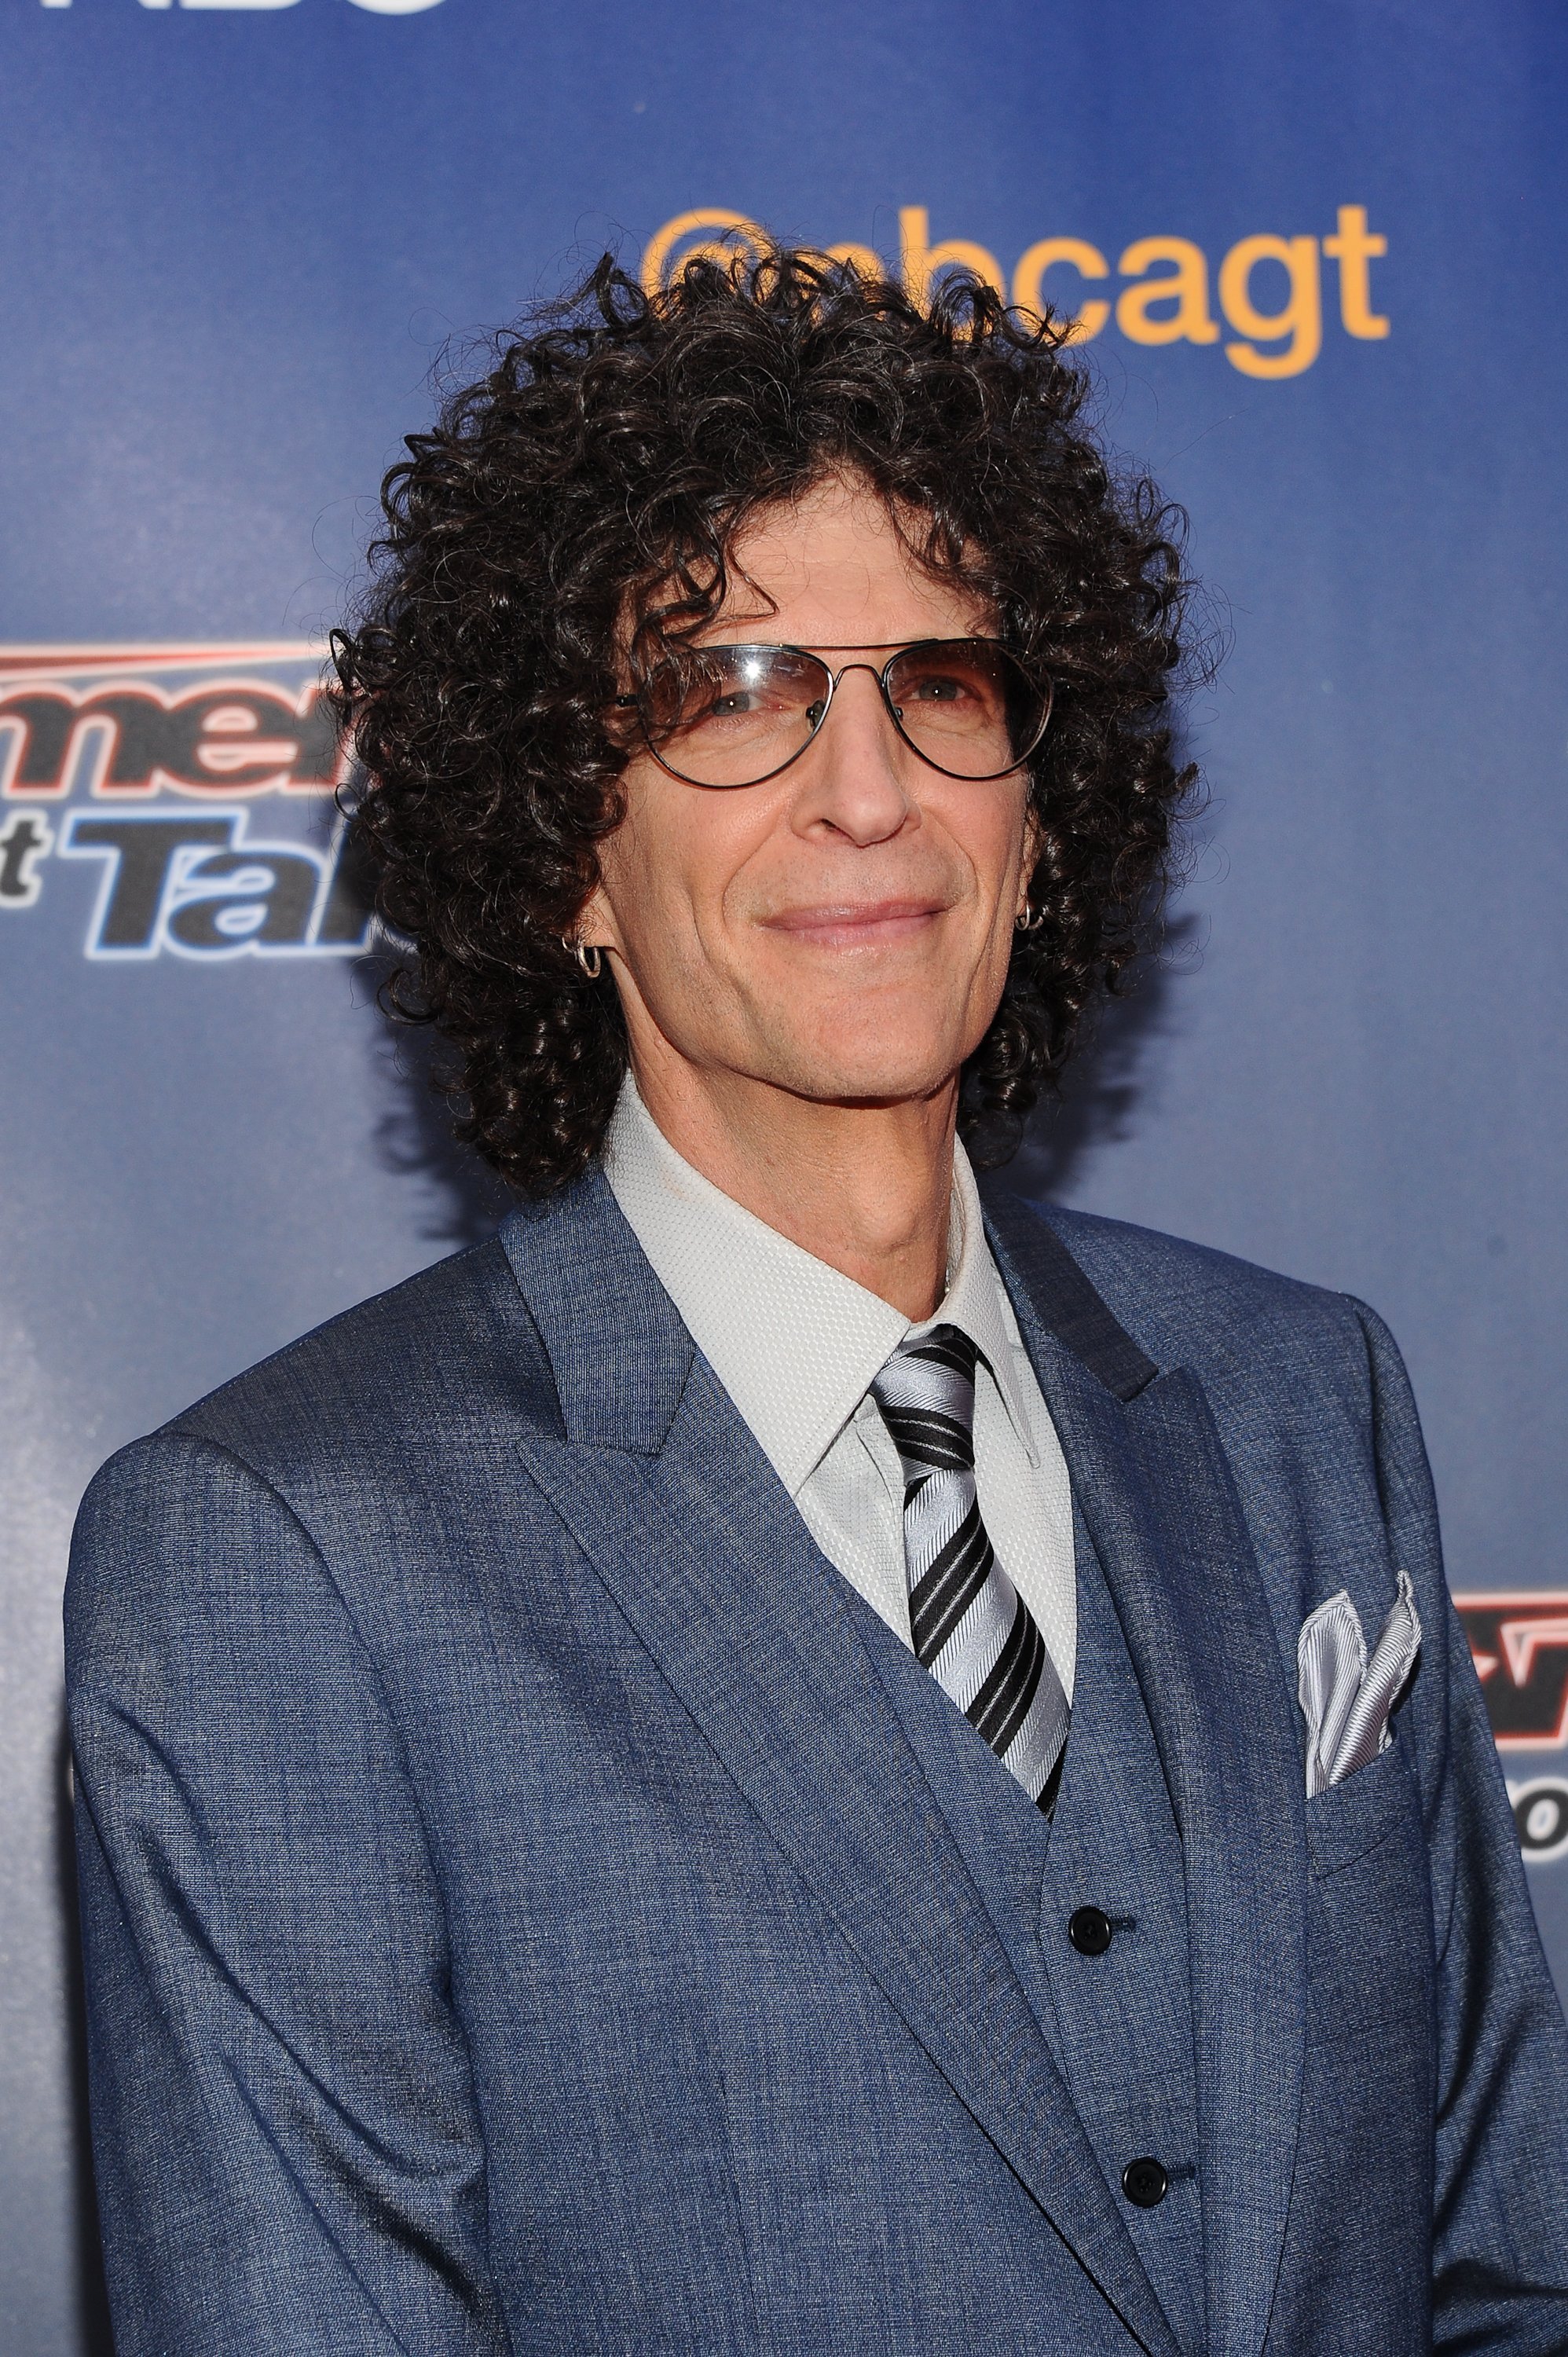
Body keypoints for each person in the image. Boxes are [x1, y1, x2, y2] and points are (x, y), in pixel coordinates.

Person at [67, 251, 1568, 2357]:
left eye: (938, 687)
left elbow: (1503, 2256)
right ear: (561, 859)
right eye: (729, 693)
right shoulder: (284, 1555)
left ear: (1040, 817)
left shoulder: (1296, 1398)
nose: (866, 789)